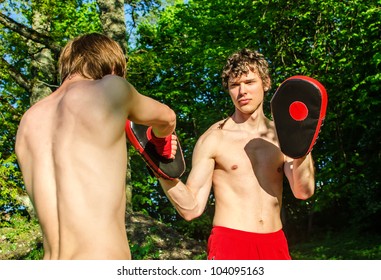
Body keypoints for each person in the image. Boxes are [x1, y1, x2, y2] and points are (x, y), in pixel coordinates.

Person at [15, 33, 177, 260]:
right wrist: (161, 139)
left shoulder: (29, 119)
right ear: (111, 64)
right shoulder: (111, 88)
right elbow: (168, 118)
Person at [158, 48, 315, 260]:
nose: (242, 92)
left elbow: (302, 191)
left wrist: (302, 148)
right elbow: (192, 209)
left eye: (249, 82)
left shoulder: (283, 136)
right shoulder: (214, 138)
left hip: (275, 244)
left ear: (266, 83)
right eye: (234, 85)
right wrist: (160, 171)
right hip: (230, 244)